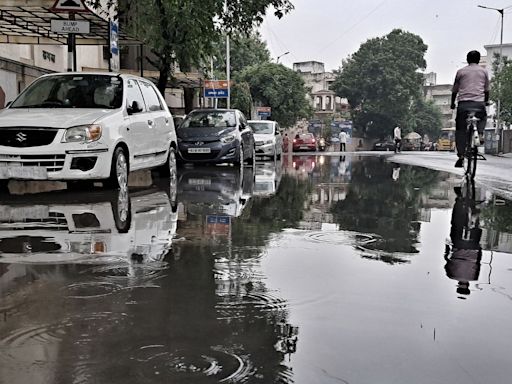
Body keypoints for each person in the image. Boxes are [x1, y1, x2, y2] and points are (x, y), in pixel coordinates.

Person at [451, 50, 489, 168]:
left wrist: (452, 103)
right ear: (478, 60)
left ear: (467, 60)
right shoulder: (484, 72)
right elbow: (486, 90)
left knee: (460, 129)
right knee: (483, 117)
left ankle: (461, 156)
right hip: (479, 104)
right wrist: (486, 101)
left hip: (463, 105)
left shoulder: (461, 72)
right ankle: (481, 133)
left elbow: (455, 90)